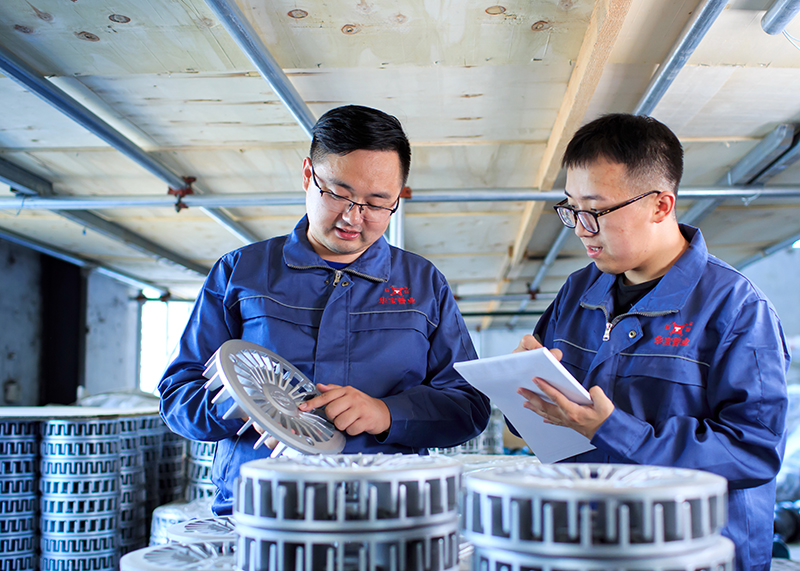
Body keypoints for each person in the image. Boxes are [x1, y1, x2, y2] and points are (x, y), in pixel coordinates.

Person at [159, 105, 490, 515]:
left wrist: (386, 413)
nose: (354, 217)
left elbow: (468, 407)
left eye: (377, 203)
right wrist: (242, 405)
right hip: (261, 510)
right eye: (338, 194)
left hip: (384, 512)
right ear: (307, 176)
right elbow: (178, 397)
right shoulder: (240, 272)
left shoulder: (423, 285)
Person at [514, 114, 788, 571]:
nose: (582, 228)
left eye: (596, 210)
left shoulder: (737, 310)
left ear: (661, 205)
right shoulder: (579, 292)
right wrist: (525, 388)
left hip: (694, 554)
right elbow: (543, 427)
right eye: (571, 209)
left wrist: (613, 429)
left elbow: (753, 453)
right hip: (595, 545)